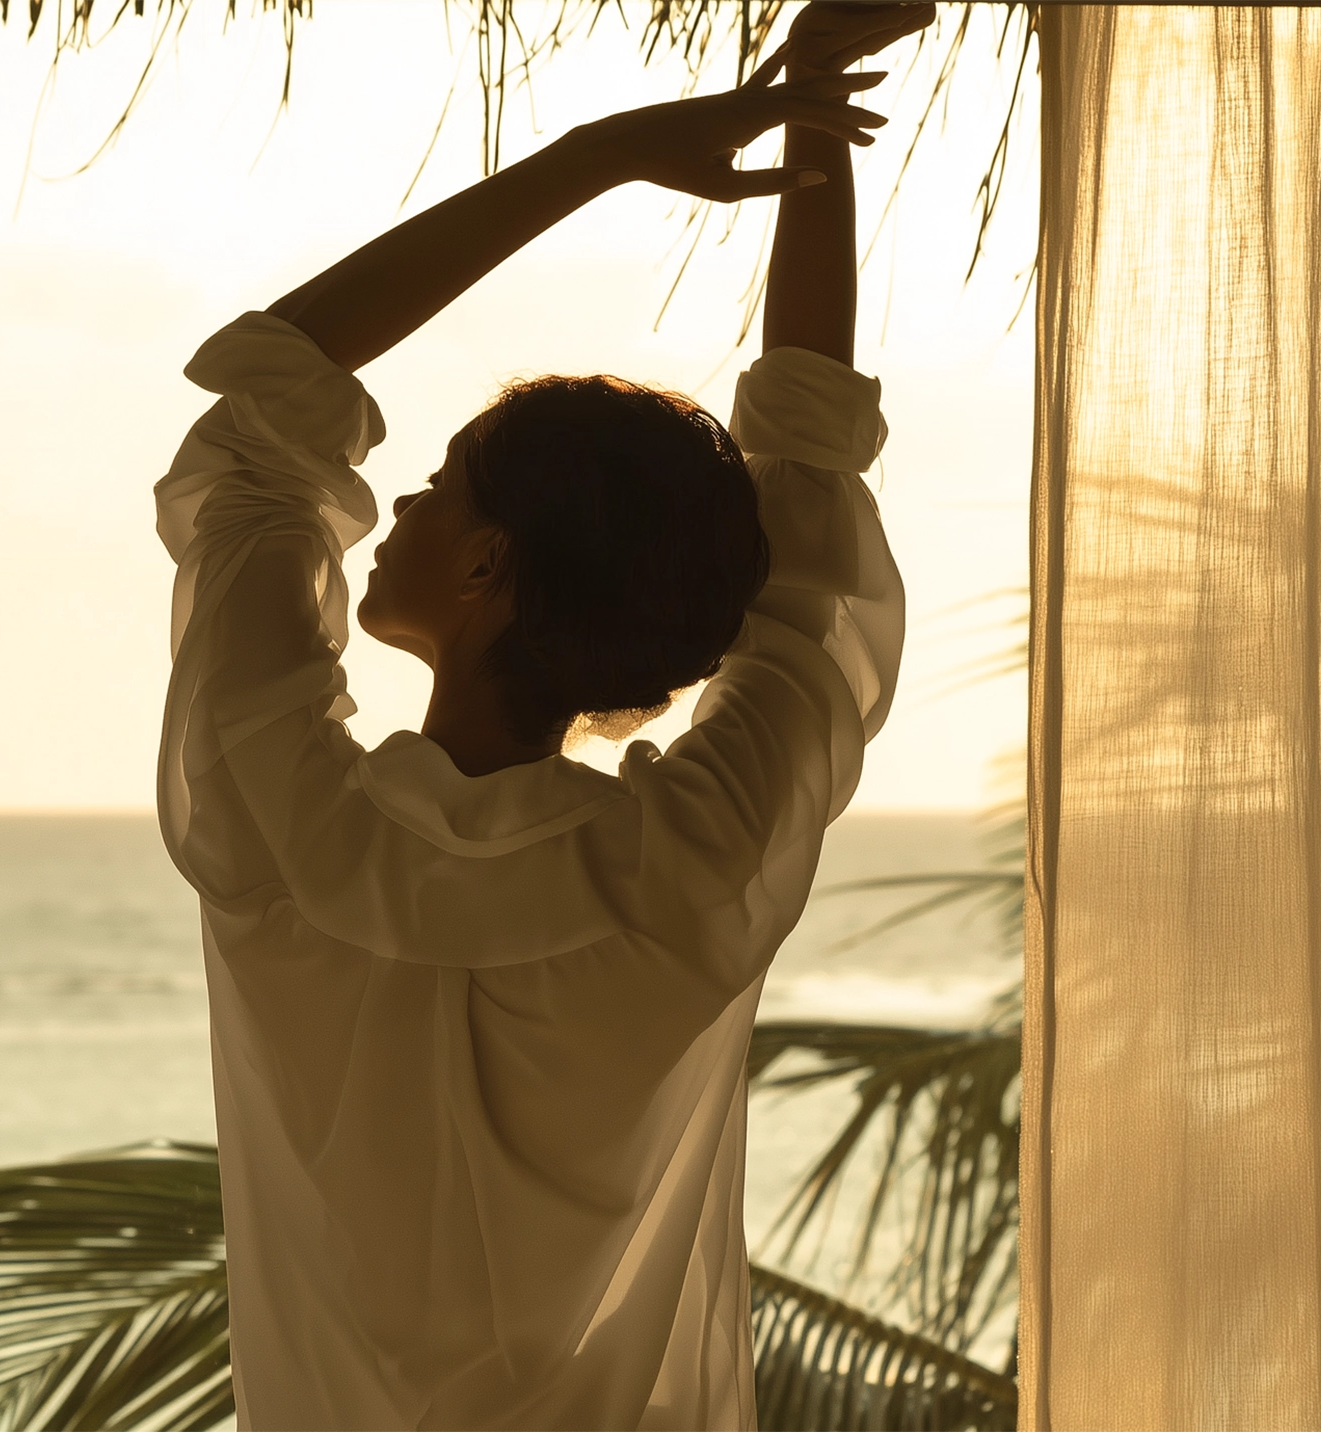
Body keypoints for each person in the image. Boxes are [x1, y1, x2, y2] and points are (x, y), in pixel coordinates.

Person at [151, 5, 930, 1427]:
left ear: (492, 565)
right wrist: (813, 113)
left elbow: (270, 410)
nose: (404, 500)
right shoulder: (694, 868)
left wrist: (595, 158)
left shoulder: (279, 822)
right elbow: (807, 485)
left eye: (445, 482)